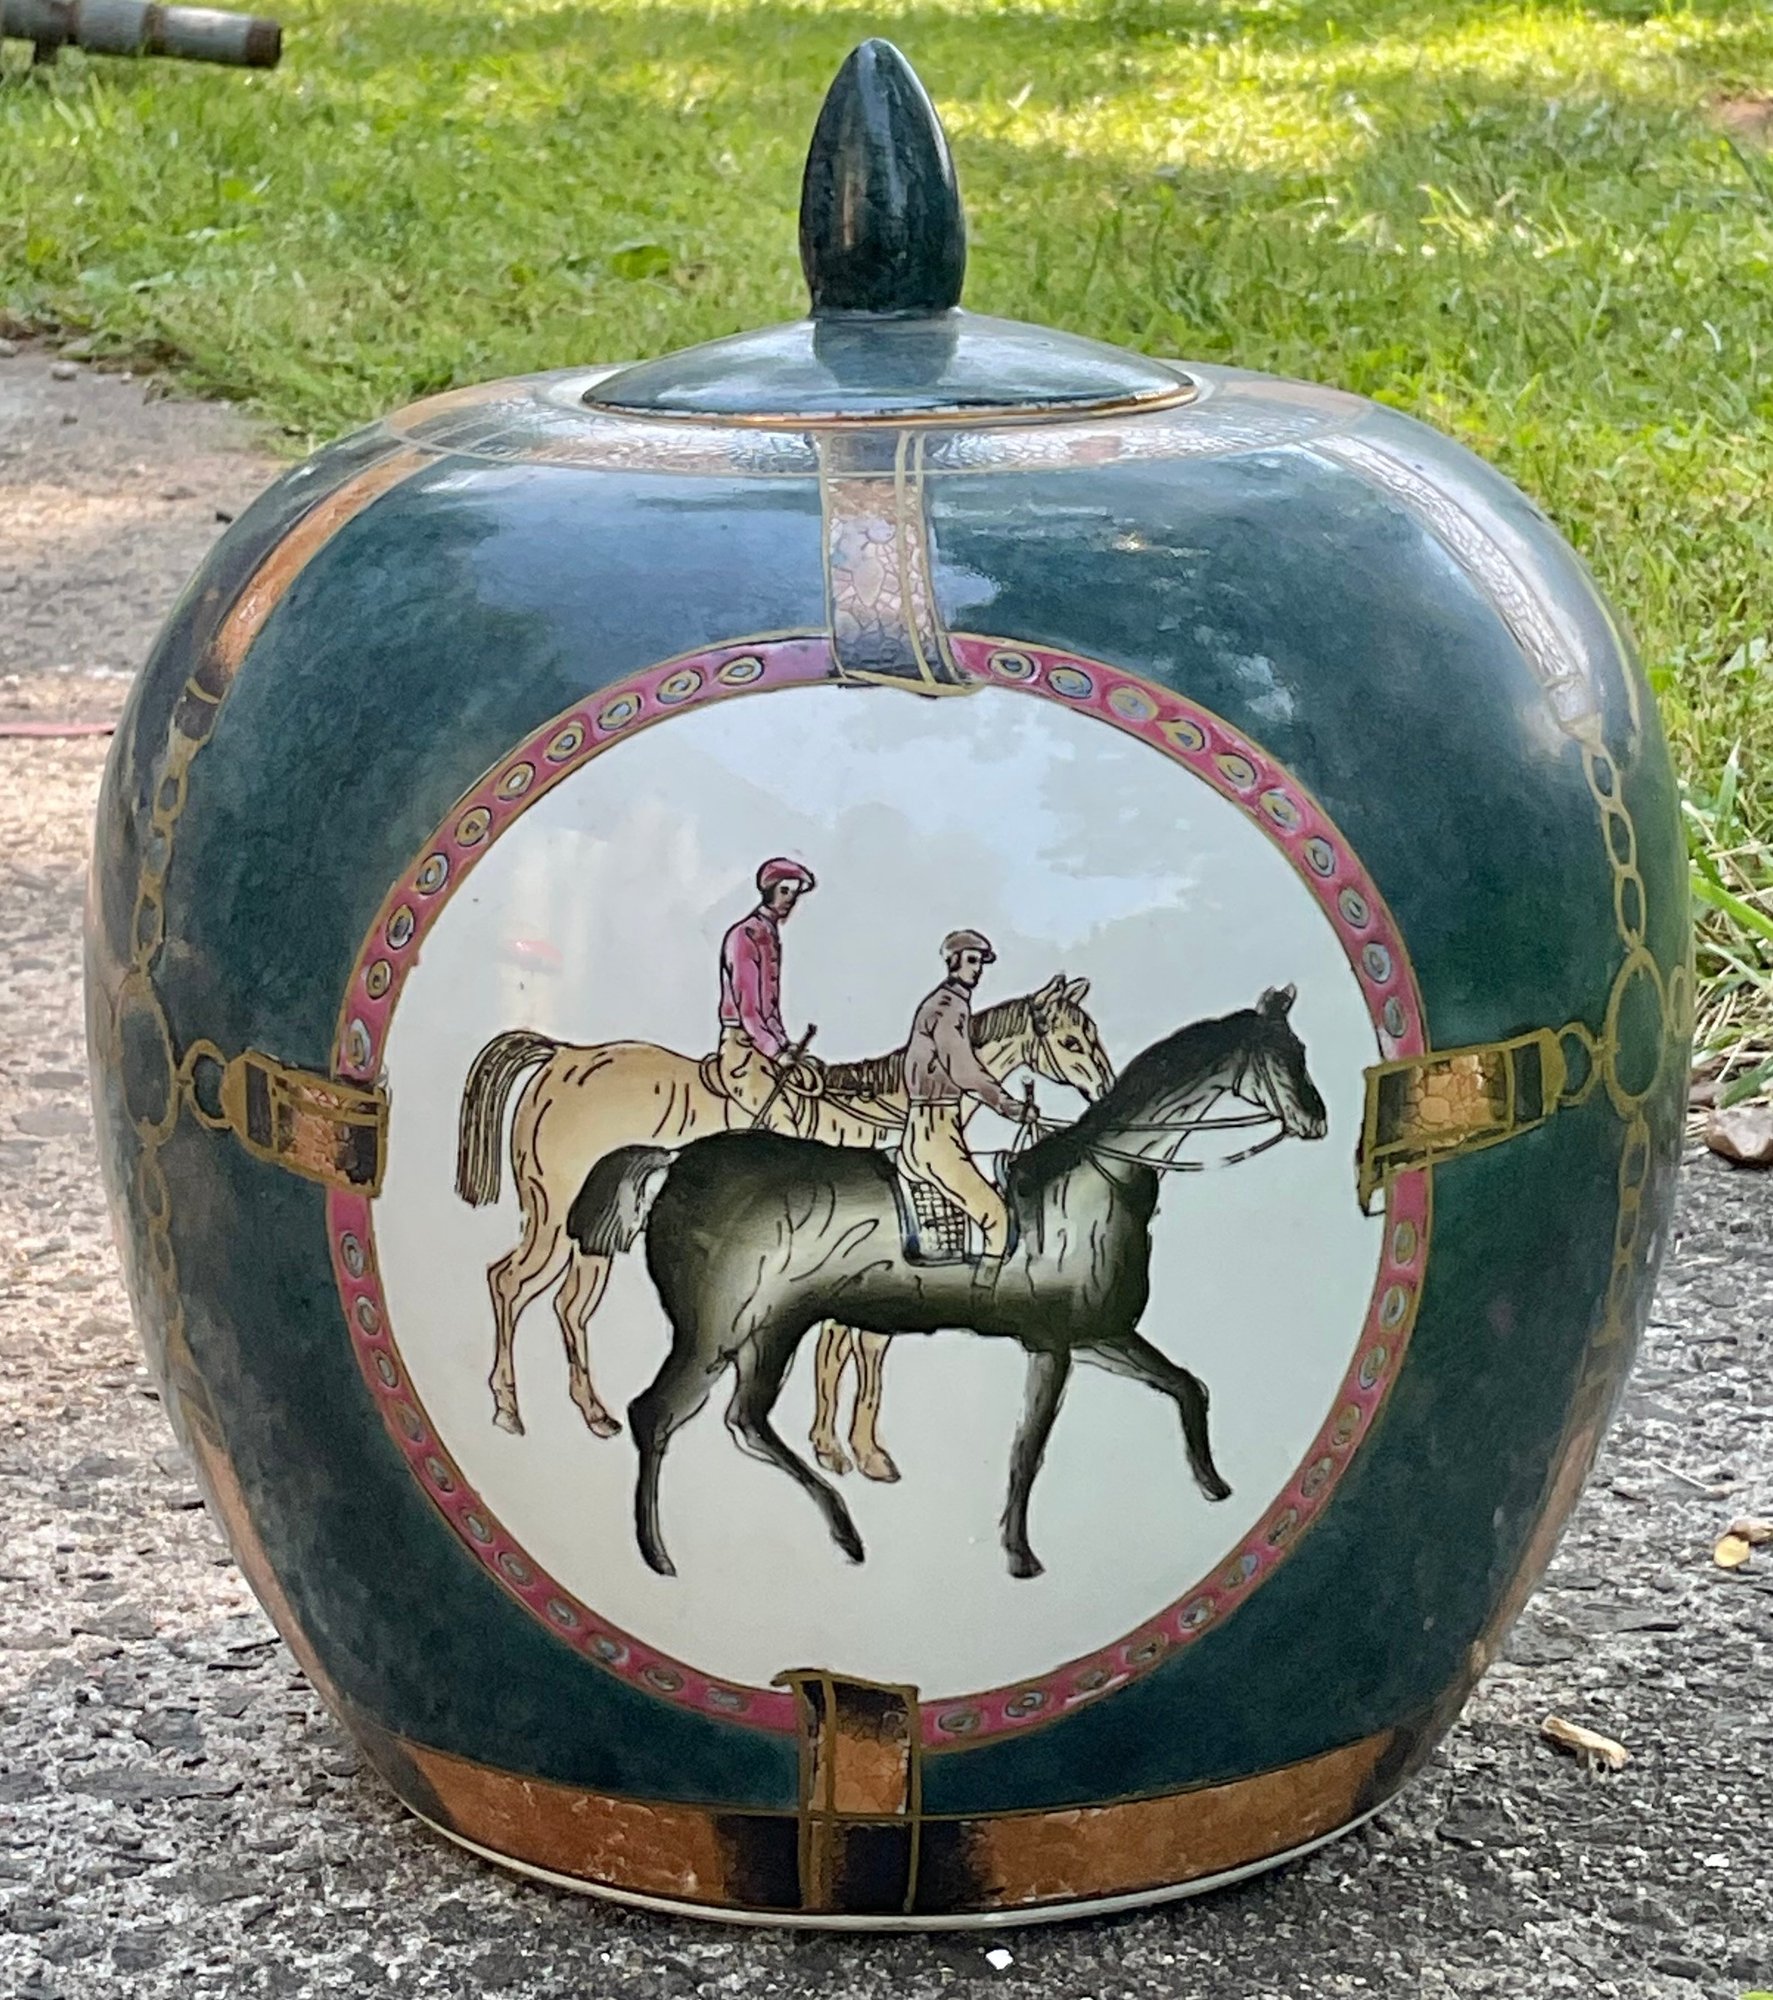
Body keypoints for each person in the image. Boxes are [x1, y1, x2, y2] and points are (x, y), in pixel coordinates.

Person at [899, 930, 1033, 1258]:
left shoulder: (943, 1003)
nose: (978, 969)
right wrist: (1010, 1107)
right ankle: (987, 1290)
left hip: (926, 1130)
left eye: (980, 963)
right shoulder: (949, 1007)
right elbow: (963, 1070)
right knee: (996, 1219)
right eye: (972, 960)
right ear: (954, 961)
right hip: (936, 1135)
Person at [717, 858, 816, 1131]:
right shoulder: (745, 935)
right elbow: (749, 1009)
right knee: (783, 1126)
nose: (790, 900)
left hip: (763, 1047)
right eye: (784, 891)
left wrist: (785, 1046)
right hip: (742, 1048)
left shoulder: (769, 933)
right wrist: (775, 1051)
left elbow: (769, 1010)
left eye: (794, 894)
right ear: (769, 890)